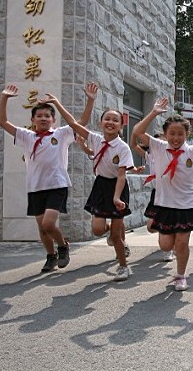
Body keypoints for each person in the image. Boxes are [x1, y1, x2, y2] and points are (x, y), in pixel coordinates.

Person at [0, 82, 97, 274]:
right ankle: (50, 256)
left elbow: (81, 122)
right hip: (35, 187)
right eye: (39, 116)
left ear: (53, 119)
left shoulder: (61, 134)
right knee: (42, 229)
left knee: (48, 224)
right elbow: (3, 122)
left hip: (57, 184)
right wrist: (4, 98)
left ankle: (63, 246)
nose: (43, 118)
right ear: (33, 119)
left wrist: (90, 101)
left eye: (47, 116)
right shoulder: (27, 136)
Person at [131, 97, 193, 291]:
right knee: (165, 245)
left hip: (186, 204)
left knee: (181, 243)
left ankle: (181, 275)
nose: (176, 138)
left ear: (187, 134)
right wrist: (154, 112)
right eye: (172, 133)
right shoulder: (158, 146)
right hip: (164, 204)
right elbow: (137, 132)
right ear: (165, 134)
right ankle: (170, 251)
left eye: (180, 134)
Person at [45, 101, 134, 282]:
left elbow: (121, 176)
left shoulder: (123, 148)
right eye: (107, 119)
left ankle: (123, 266)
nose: (110, 122)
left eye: (115, 120)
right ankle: (111, 229)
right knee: (97, 230)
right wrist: (56, 102)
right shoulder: (95, 138)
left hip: (117, 187)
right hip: (100, 186)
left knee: (116, 237)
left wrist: (117, 197)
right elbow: (72, 123)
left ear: (121, 126)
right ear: (101, 122)